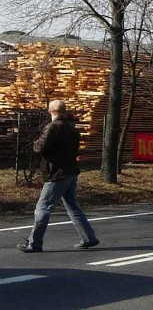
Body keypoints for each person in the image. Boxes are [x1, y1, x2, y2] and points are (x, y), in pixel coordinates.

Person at [17, 100, 99, 253]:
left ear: (50, 111)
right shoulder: (72, 128)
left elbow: (40, 147)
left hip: (56, 173)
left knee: (42, 208)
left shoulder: (52, 127)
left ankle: (34, 243)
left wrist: (35, 143)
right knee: (73, 207)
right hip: (71, 171)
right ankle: (89, 238)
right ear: (64, 110)